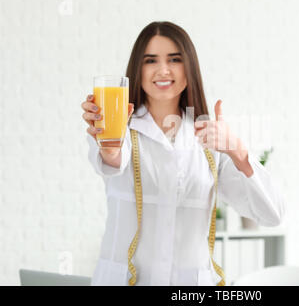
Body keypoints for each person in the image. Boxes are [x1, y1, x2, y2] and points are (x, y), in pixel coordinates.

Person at [81, 21, 285, 286]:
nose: (163, 70)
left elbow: (272, 215)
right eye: (150, 60)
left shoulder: (211, 141)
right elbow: (112, 160)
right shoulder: (117, 130)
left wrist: (238, 150)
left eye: (174, 59)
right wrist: (109, 148)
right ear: (137, 70)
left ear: (189, 69)